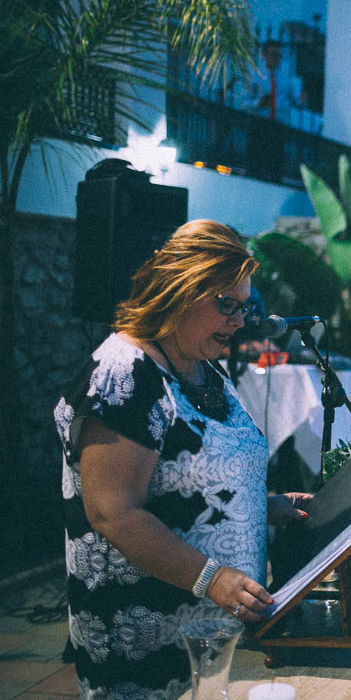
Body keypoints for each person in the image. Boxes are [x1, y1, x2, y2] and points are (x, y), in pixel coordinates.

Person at [54, 220, 310, 699]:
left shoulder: (200, 366)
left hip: (208, 638)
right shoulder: (125, 372)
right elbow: (113, 510)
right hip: (146, 642)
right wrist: (212, 579)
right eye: (226, 305)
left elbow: (189, 478)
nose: (238, 321)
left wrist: (259, 504)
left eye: (243, 306)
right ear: (180, 292)